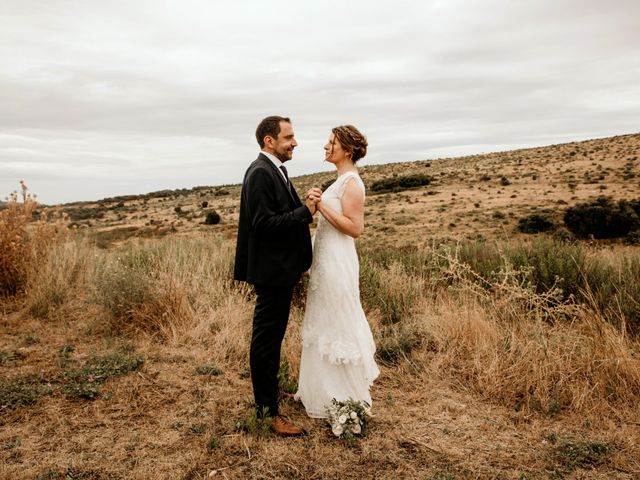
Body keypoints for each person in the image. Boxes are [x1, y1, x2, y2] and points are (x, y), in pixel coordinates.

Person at [234, 115, 322, 436]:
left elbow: (278, 215)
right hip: (271, 273)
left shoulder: (275, 170)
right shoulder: (260, 173)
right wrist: (305, 212)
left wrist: (303, 204)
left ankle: (270, 396)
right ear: (269, 141)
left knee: (272, 339)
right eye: (289, 137)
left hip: (280, 272)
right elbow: (264, 225)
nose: (295, 142)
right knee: (266, 341)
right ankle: (268, 413)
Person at [295, 124, 380, 418]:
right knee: (323, 320)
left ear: (347, 149)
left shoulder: (352, 183)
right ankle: (319, 391)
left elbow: (355, 228)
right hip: (324, 260)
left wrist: (321, 207)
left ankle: (344, 396)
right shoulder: (339, 180)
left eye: (331, 142)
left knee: (338, 321)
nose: (326, 146)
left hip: (337, 261)